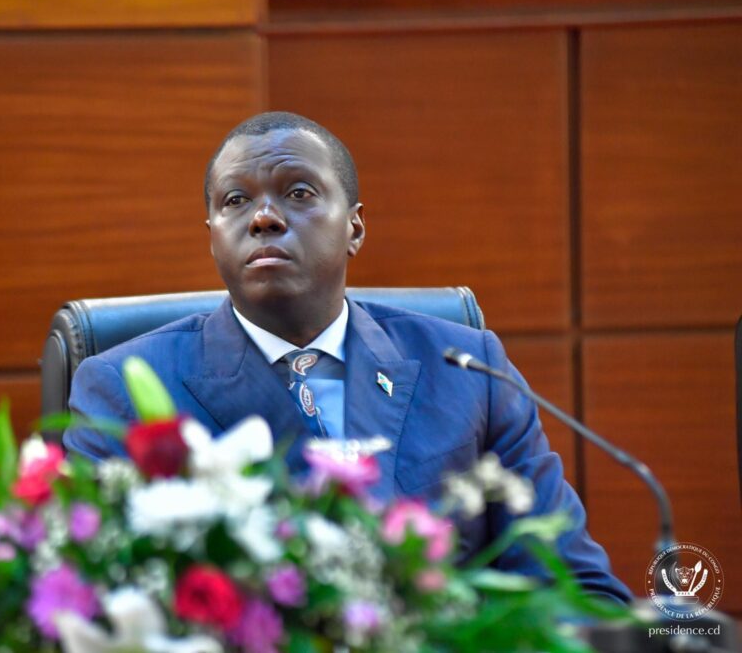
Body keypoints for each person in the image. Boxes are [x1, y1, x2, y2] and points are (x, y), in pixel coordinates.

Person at [64, 111, 632, 603]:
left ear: (354, 227)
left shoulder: (467, 369)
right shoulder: (120, 388)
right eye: (236, 201)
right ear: (212, 235)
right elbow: (95, 601)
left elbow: (578, 589)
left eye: (299, 193)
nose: (263, 217)